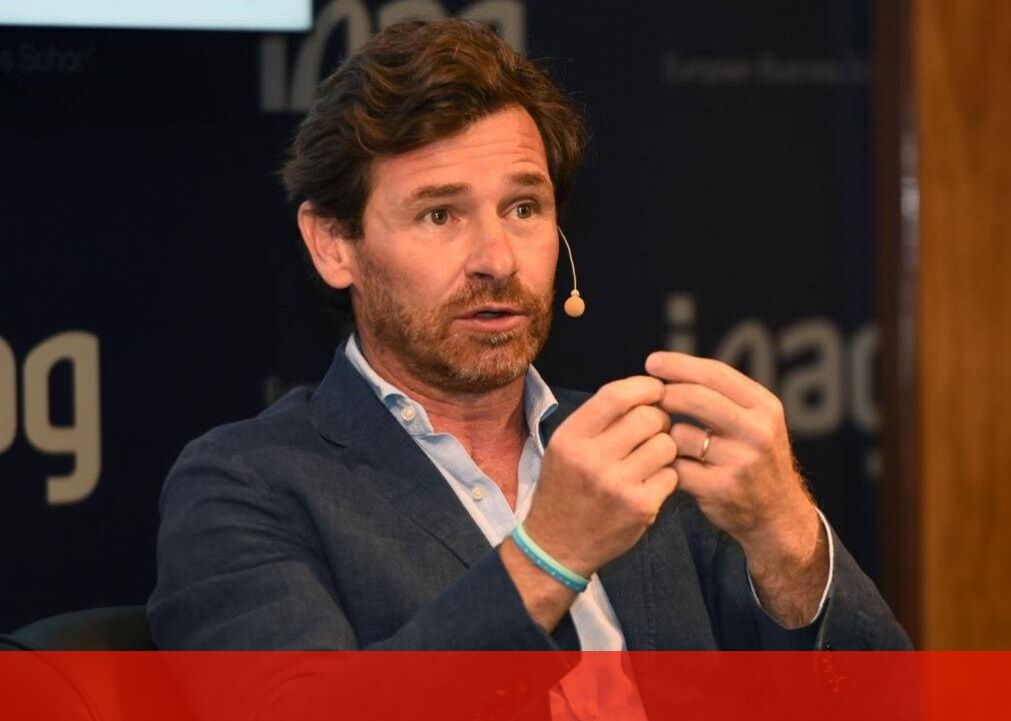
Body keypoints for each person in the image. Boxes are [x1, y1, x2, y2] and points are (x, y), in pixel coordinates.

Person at [149, 16, 907, 686]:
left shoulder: (647, 460)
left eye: (523, 207)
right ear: (333, 244)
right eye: (440, 214)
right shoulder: (248, 486)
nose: (497, 259)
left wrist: (786, 538)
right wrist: (549, 557)